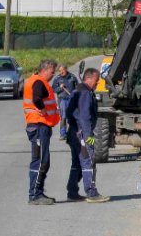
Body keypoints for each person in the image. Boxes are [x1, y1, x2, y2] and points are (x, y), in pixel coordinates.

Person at [65, 68, 110, 203]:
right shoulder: (84, 93)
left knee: (77, 163)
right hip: (82, 134)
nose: (96, 85)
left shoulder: (77, 90)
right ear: (88, 78)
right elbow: (85, 116)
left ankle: (72, 192)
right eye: (96, 82)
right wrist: (88, 135)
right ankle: (91, 192)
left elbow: (69, 113)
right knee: (88, 162)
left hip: (73, 132)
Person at [23, 59, 60, 205]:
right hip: (39, 125)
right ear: (45, 69)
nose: (53, 75)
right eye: (52, 72)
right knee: (40, 161)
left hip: (39, 125)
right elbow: (37, 99)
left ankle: (38, 192)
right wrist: (44, 111)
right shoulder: (38, 82)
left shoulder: (34, 80)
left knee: (43, 161)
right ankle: (34, 195)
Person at [52, 65, 79, 141]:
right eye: (60, 71)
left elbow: (77, 88)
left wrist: (75, 94)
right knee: (63, 117)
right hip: (62, 100)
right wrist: (60, 88)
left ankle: (73, 133)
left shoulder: (73, 77)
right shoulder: (57, 79)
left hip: (71, 100)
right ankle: (63, 134)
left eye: (62, 70)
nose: (61, 72)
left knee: (72, 117)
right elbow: (53, 89)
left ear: (66, 69)